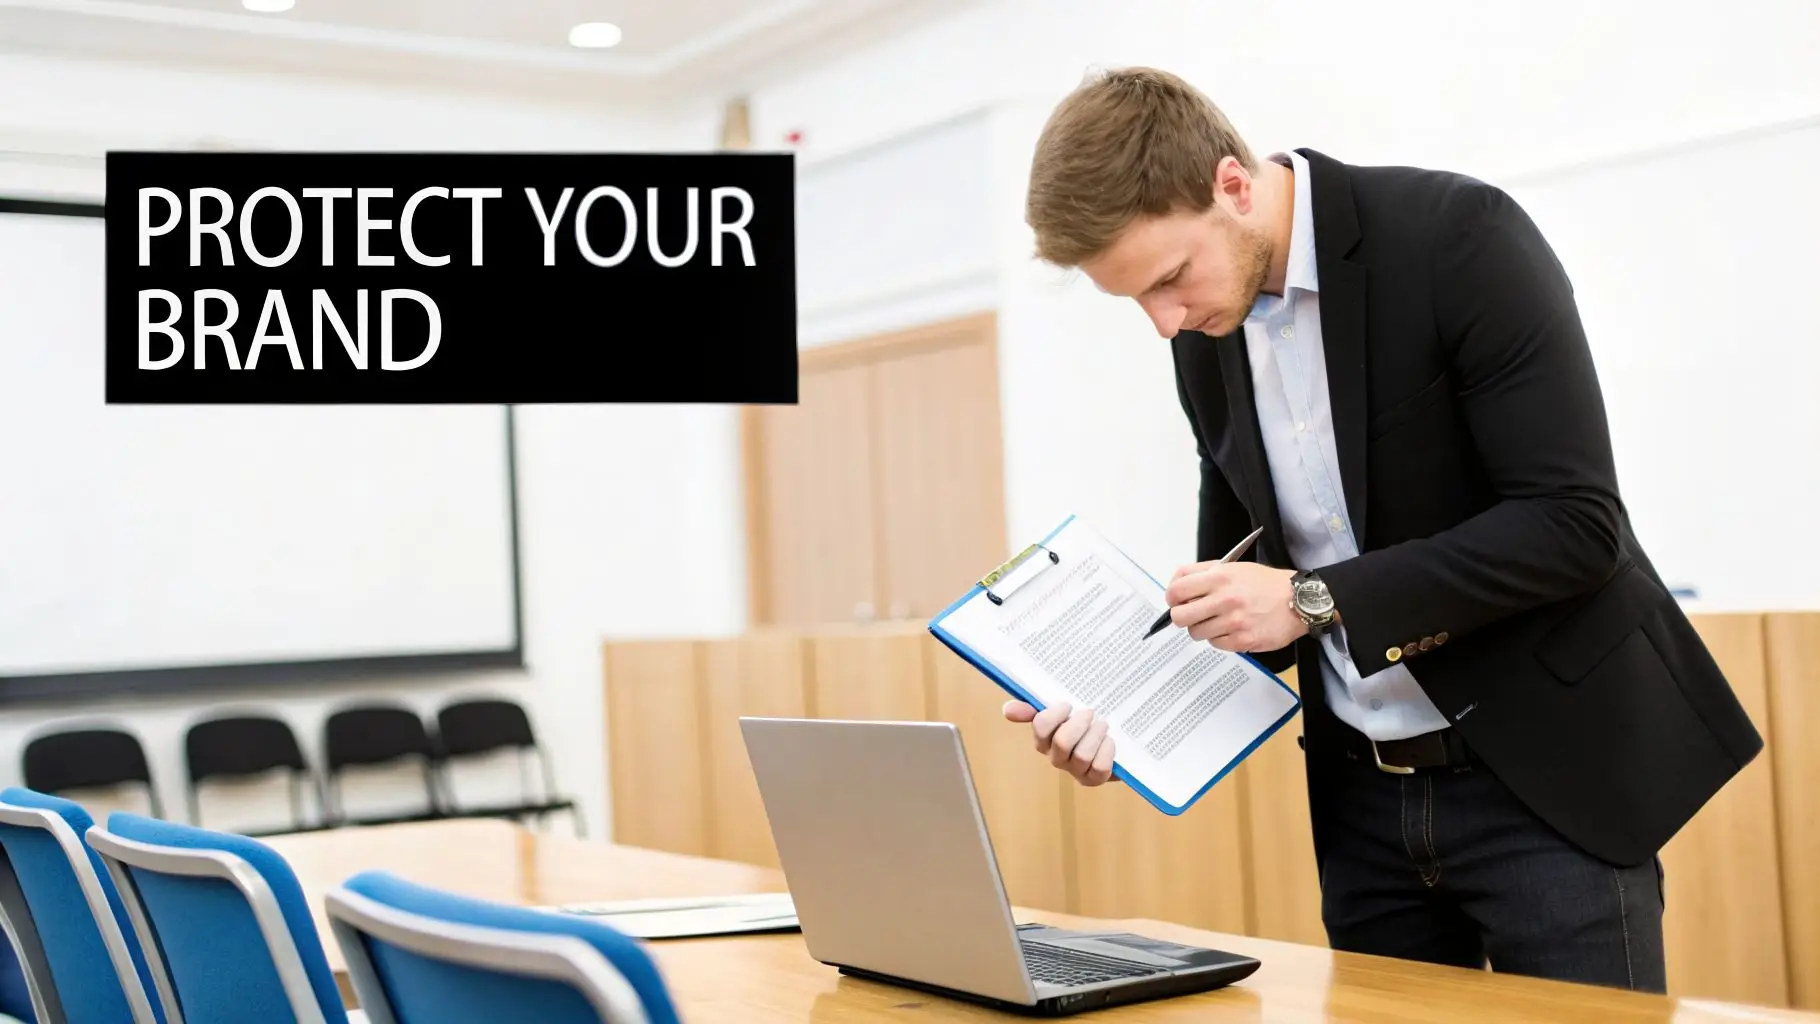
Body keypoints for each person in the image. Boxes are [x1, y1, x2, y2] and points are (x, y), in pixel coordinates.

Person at [1005, 66, 1763, 993]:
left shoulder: (1458, 238)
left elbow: (1574, 526)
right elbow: (1250, 605)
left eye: (1169, 279)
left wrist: (1312, 599)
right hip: (1362, 804)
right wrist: (1122, 717)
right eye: (1135, 302)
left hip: (1544, 783)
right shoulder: (1206, 338)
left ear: (1233, 186)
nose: (1166, 324)